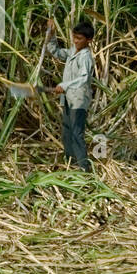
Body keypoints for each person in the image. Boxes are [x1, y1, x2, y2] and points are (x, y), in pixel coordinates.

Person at [45, 19, 96, 172]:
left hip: (79, 101)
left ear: (89, 40)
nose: (75, 41)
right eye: (74, 37)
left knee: (76, 134)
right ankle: (70, 165)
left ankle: (84, 169)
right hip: (68, 99)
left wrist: (64, 85)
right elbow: (56, 52)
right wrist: (52, 35)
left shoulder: (85, 57)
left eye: (79, 38)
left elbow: (83, 78)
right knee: (67, 133)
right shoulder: (73, 51)